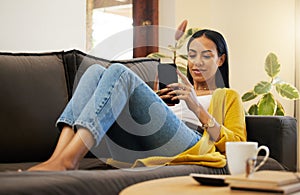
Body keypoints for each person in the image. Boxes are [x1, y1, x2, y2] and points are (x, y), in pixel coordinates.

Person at [28, 29, 246, 171]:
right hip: (148, 140)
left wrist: (198, 107)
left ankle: (69, 160)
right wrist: (153, 102)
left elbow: (237, 144)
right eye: (192, 55)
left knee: (119, 72)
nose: (196, 62)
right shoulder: (179, 87)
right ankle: (57, 158)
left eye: (206, 55)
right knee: (94, 71)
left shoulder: (228, 96)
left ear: (221, 60)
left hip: (193, 144)